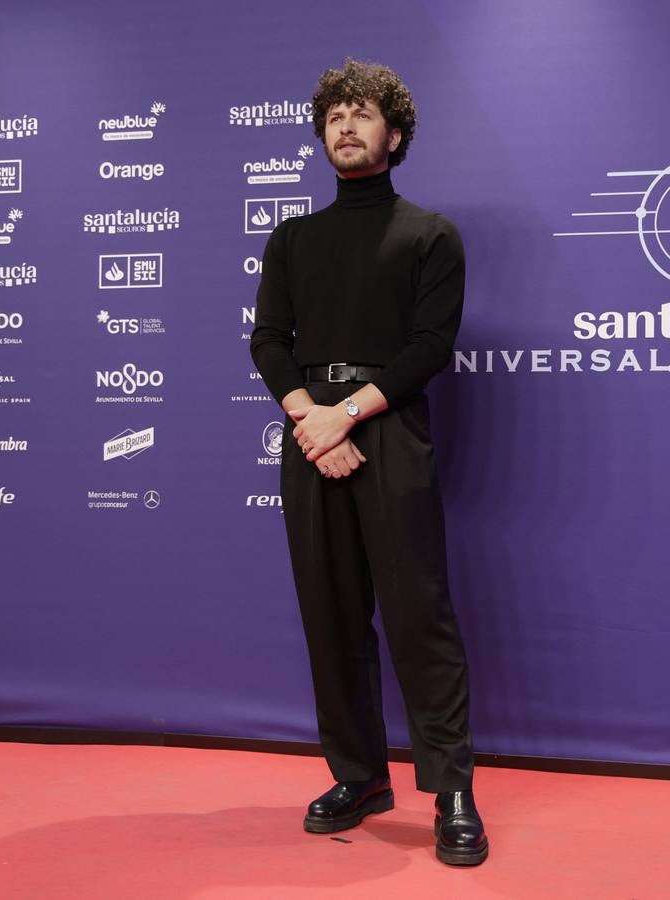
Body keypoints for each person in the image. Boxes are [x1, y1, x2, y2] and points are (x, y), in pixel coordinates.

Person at [249, 58, 488, 867]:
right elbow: (268, 343)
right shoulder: (292, 238)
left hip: (386, 432)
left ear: (394, 132)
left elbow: (429, 348)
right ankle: (358, 776)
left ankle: (451, 789)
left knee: (419, 614)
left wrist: (345, 414)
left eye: (362, 114)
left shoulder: (429, 235)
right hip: (310, 434)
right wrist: (312, 422)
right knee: (331, 614)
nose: (344, 126)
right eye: (333, 116)